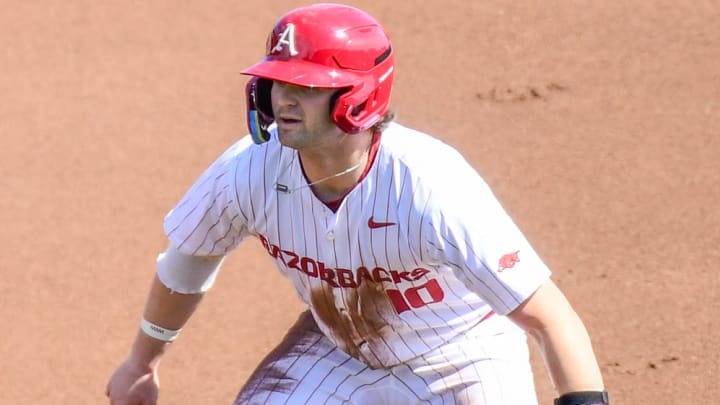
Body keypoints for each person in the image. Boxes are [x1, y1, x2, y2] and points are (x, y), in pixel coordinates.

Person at [106, 3, 609, 404]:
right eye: (279, 82)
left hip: (464, 356)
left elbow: (551, 318)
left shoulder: (429, 187)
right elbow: (189, 260)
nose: (282, 100)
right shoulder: (251, 169)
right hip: (338, 353)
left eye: (305, 87)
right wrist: (141, 363)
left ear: (357, 97)